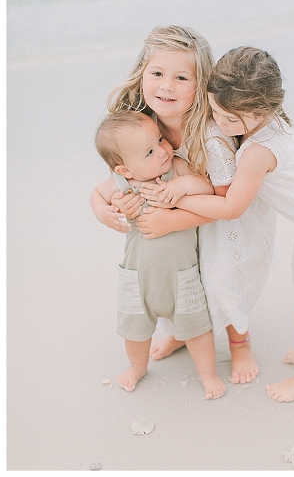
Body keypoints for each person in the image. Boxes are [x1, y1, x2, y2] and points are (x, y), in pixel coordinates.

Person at [141, 46, 294, 402]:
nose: (222, 124)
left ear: (265, 110)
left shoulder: (257, 152)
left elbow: (232, 207)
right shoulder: (267, 127)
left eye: (234, 119)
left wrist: (179, 197)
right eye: (217, 112)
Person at [90, 25, 276, 385]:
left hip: (224, 218)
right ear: (142, 74)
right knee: (184, 282)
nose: (166, 86)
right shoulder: (142, 121)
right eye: (157, 73)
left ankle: (240, 345)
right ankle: (180, 332)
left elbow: (225, 199)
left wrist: (174, 221)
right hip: (178, 221)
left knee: (221, 279)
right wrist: (112, 207)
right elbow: (115, 181)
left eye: (181, 77)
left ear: (200, 82)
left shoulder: (210, 134)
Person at [93, 111, 226, 399]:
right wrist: (105, 213)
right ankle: (137, 366)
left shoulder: (175, 169)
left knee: (196, 328)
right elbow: (96, 195)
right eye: (150, 152)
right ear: (124, 170)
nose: (164, 151)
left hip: (183, 275)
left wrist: (179, 187)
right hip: (137, 278)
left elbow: (206, 187)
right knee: (135, 330)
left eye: (161, 139)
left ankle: (208, 373)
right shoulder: (122, 186)